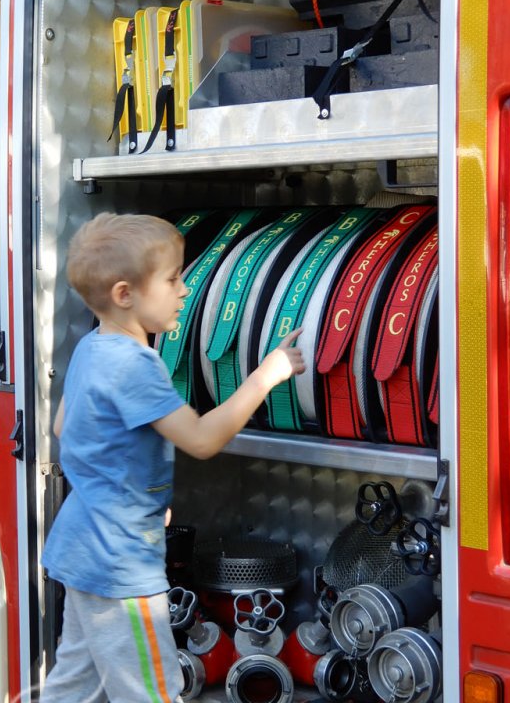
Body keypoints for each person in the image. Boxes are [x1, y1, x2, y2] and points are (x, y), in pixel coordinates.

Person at [40, 212, 305, 703]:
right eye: (172, 279)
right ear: (125, 294)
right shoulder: (136, 365)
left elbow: (64, 429)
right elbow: (202, 439)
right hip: (121, 568)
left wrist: (131, 490)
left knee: (74, 687)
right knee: (153, 691)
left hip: (81, 549)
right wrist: (264, 377)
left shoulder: (90, 349)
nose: (185, 289)